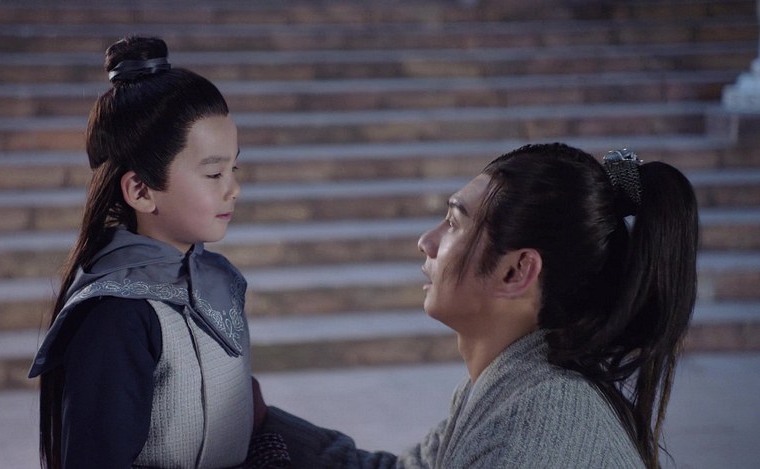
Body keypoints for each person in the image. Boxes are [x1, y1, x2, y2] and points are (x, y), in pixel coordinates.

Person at [254, 143, 699, 469]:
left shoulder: (536, 434)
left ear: (516, 271)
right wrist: (260, 424)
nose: (426, 242)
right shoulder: (513, 387)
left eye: (452, 223)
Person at [28, 36, 276, 469]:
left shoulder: (217, 278)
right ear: (141, 191)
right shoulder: (117, 314)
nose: (233, 188)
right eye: (213, 173)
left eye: (233, 167)